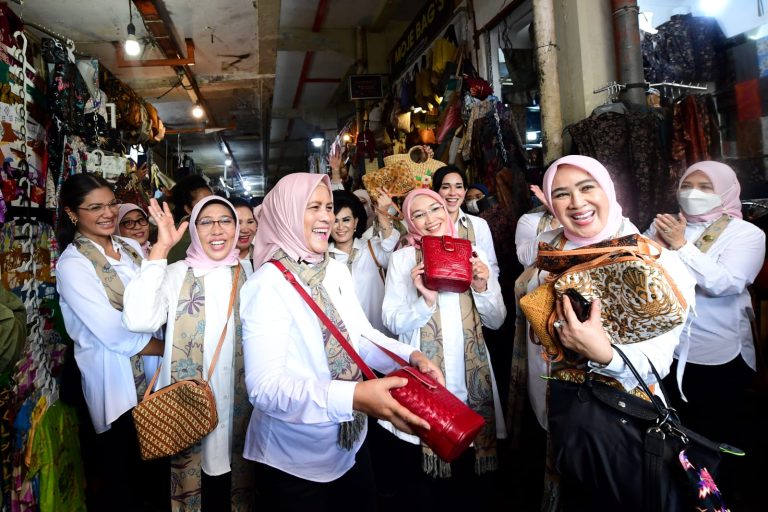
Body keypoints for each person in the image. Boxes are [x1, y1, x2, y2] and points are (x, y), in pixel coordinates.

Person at [239, 173, 443, 512]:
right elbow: (264, 388)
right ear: (286, 214)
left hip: (350, 440)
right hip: (296, 459)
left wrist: (410, 356)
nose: (327, 217)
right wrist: (355, 396)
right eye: (313, 207)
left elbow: (360, 336)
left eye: (329, 207)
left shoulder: (334, 270)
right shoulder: (266, 285)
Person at [521, 155, 696, 509]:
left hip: (622, 418)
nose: (577, 203)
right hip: (557, 412)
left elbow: (659, 358)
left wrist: (604, 354)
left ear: (609, 190)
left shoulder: (648, 259)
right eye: (562, 193)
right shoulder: (548, 251)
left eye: (588, 188)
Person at [122, 196, 255, 511]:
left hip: (240, 403)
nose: (216, 229)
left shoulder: (249, 272)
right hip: (188, 408)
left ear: (237, 228)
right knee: (195, 486)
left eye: (225, 220)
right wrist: (160, 250)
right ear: (194, 229)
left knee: (237, 483)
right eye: (206, 221)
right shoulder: (176, 273)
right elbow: (138, 319)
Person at [378, 188, 507, 509]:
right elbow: (392, 321)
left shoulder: (471, 252)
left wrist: (483, 286)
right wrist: (425, 300)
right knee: (429, 486)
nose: (430, 219)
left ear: (447, 210)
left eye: (434, 209)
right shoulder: (403, 258)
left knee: (472, 482)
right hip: (428, 382)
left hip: (471, 377)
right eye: (418, 214)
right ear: (410, 221)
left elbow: (496, 321)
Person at [645, 160, 765, 504]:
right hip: (668, 352)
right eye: (687, 185)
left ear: (726, 190)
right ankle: (686, 500)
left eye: (705, 186)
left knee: (718, 441)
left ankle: (719, 502)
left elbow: (724, 284)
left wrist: (681, 246)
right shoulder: (666, 227)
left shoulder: (746, 234)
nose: (692, 193)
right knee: (677, 439)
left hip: (719, 355)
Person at [55, 173, 165, 511]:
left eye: (111, 204)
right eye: (95, 207)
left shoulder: (130, 248)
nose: (108, 213)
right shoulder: (72, 265)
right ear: (73, 213)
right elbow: (113, 333)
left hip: (154, 381)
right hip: (116, 386)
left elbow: (159, 299)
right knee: (125, 478)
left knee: (158, 476)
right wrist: (170, 346)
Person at [329, 189, 400, 336]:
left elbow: (390, 247)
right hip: (345, 339)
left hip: (380, 336)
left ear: (355, 222)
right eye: (335, 221)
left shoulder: (372, 248)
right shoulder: (323, 259)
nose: (341, 227)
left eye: (346, 220)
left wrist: (382, 213)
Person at [431, 165, 499, 278]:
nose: (453, 193)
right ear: (436, 191)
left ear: (465, 190)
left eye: (458, 187)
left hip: (475, 293)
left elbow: (491, 266)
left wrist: (485, 289)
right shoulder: (427, 225)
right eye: (445, 187)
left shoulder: (479, 225)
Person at [167, 174, 214, 263]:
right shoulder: (186, 239)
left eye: (212, 201)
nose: (210, 207)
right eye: (202, 204)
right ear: (188, 209)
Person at [229, 196, 258, 276]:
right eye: (238, 223)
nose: (245, 230)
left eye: (250, 222)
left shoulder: (264, 256)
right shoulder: (215, 261)